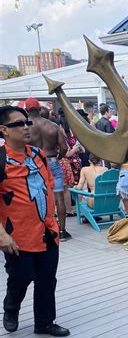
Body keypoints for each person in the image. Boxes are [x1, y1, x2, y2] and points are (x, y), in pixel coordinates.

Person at [0, 105, 70, 336]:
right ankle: (11, 307)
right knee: (22, 276)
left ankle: (44, 322)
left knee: (47, 278)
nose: (26, 126)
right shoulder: (1, 161)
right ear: (4, 130)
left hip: (47, 230)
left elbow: (48, 185)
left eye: (26, 122)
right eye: (18, 124)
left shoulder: (38, 154)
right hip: (17, 235)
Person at [24, 97, 71, 242]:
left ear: (26, 110)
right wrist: (58, 156)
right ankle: (62, 231)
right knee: (59, 198)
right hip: (52, 161)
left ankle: (42, 231)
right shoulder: (52, 126)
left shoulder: (24, 128)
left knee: (36, 197)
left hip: (33, 163)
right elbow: (64, 147)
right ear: (39, 109)